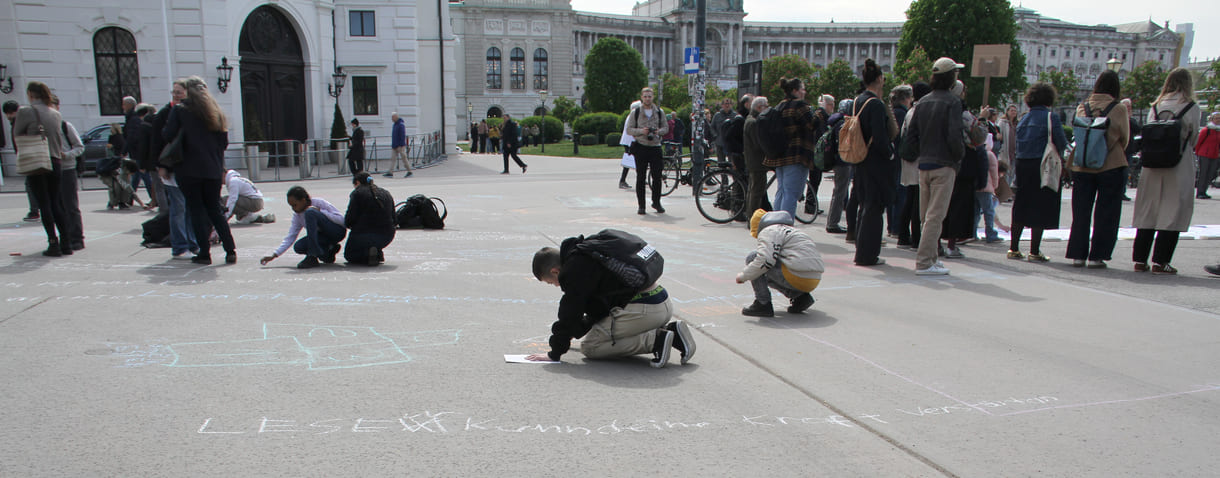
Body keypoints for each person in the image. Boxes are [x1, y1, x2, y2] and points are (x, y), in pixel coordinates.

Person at [526, 234, 694, 368]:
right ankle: (673, 332)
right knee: (601, 330)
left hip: (644, 311)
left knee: (591, 346)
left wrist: (554, 353)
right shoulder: (587, 250)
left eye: (551, 282)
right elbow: (597, 312)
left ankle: (656, 340)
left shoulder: (573, 271)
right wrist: (571, 333)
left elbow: (570, 312)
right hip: (660, 301)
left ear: (555, 271)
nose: (555, 285)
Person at [161, 75, 237, 265]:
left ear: (188, 91)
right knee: (214, 210)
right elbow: (223, 143)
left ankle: (204, 252)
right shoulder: (216, 112)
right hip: (212, 168)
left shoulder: (180, 110)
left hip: (188, 168)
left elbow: (168, 134)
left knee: (195, 210)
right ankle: (230, 249)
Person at [1132, 68, 1200, 275]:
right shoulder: (1191, 107)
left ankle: (1140, 260)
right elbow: (1194, 137)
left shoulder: (1156, 105)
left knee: (1148, 211)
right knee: (1173, 211)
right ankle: (1161, 261)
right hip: (1178, 163)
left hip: (1151, 164)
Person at [906, 57, 966, 275]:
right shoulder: (952, 102)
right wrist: (959, 157)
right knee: (935, 215)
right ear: (952, 78)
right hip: (944, 163)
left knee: (926, 215)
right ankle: (924, 261)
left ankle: (931, 257)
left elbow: (911, 137)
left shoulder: (922, 102)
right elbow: (954, 136)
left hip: (925, 163)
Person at [1065, 71, 1130, 269]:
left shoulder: (1082, 107)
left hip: (1082, 165)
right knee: (1107, 212)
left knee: (1081, 212)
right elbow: (1124, 138)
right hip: (1111, 164)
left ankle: (1078, 254)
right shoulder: (1118, 108)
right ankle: (1097, 256)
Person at [1010, 82, 1068, 264]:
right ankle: (1034, 250)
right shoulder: (1051, 117)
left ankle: (1014, 247)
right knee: (1040, 206)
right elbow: (1061, 142)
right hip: (1042, 165)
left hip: (1022, 164)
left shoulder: (1024, 118)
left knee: (1021, 205)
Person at [13, 81, 72, 256]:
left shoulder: (25, 111)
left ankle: (53, 243)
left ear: (31, 94)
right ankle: (66, 242)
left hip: (37, 160)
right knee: (56, 202)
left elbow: (17, 135)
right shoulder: (55, 113)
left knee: (44, 203)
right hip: (55, 160)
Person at [851, 59, 897, 267]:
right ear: (879, 79)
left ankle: (862, 251)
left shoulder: (857, 101)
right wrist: (890, 153)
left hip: (860, 159)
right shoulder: (875, 104)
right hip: (875, 162)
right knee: (874, 208)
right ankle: (868, 254)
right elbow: (880, 137)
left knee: (864, 206)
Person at [738, 209, 824, 318]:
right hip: (814, 279)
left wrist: (744, 276)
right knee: (772, 262)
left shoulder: (769, 231)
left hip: (796, 276)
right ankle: (800, 297)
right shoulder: (793, 231)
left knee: (754, 259)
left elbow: (765, 260)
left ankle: (763, 303)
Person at [765, 78, 817, 218]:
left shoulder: (779, 106)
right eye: (802, 89)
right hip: (796, 154)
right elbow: (812, 124)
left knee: (781, 191)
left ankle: (776, 224)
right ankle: (784, 226)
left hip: (780, 155)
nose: (804, 92)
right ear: (795, 91)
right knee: (792, 193)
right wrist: (821, 111)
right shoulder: (799, 105)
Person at [260, 186, 347, 269]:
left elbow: (342, 221)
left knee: (310, 212)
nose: (293, 209)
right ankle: (329, 251)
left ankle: (312, 255)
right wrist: (274, 255)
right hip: (322, 237)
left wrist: (320, 211)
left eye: (295, 205)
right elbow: (291, 236)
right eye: (291, 206)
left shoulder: (318, 202)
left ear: (303, 200)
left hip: (336, 232)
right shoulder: (297, 216)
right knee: (299, 246)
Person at [49, 95, 86, 251]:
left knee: (70, 205)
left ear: (58, 107)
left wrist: (67, 154)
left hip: (66, 168)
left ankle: (76, 238)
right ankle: (64, 236)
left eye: (51, 106)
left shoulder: (65, 126)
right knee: (57, 205)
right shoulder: (43, 127)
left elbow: (80, 147)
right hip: (50, 169)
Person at [625, 87, 668, 215]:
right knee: (641, 177)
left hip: (655, 146)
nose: (647, 98)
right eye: (645, 96)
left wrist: (658, 132)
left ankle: (656, 202)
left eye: (649, 96)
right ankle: (641, 205)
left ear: (653, 97)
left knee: (657, 177)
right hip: (641, 146)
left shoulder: (659, 112)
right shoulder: (636, 112)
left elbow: (666, 127)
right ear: (642, 97)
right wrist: (641, 131)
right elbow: (629, 129)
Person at [896, 83, 928, 249]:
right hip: (918, 160)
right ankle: (915, 237)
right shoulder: (920, 112)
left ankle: (903, 235)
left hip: (908, 160)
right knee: (916, 201)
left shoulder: (910, 111)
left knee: (909, 199)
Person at [343, 171, 396, 266]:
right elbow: (394, 218)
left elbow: (350, 218)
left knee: (350, 255)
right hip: (387, 235)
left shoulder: (357, 193)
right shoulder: (386, 193)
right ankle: (376, 251)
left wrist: (349, 226)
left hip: (364, 235)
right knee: (371, 241)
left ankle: (368, 253)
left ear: (357, 182)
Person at [6, 100, 41, 223]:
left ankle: (35, 211)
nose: (9, 116)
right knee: (33, 185)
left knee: (32, 185)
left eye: (11, 113)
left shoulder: (20, 122)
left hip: (30, 158)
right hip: (29, 157)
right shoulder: (17, 122)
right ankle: (37, 210)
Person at [824, 98, 852, 233]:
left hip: (837, 161)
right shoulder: (843, 124)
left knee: (839, 192)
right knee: (840, 193)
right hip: (843, 161)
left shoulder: (834, 122)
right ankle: (833, 223)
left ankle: (832, 221)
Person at [743, 95, 771, 216]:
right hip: (757, 161)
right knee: (757, 191)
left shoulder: (750, 119)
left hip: (753, 161)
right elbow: (757, 143)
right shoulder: (753, 122)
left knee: (753, 189)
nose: (768, 108)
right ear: (759, 107)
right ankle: (752, 217)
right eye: (766, 106)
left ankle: (751, 215)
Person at [1194, 112, 1220, 199]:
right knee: (1203, 174)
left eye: (1219, 118)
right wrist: (1198, 153)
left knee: (1210, 174)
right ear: (1212, 119)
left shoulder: (1218, 130)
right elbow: (1198, 142)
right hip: (1204, 154)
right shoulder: (1206, 130)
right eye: (1216, 118)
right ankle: (1200, 192)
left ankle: (1204, 191)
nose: (1218, 120)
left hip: (1215, 155)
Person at [618, 101, 641, 189]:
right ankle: (622, 181)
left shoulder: (632, 115)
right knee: (629, 161)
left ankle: (641, 177)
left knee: (635, 160)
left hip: (629, 141)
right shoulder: (633, 115)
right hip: (629, 142)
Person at [997, 104, 1019, 187]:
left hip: (1014, 152)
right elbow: (999, 134)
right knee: (1005, 172)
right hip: (1005, 151)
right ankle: (1003, 191)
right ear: (1007, 112)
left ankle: (1008, 190)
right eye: (1012, 110)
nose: (1013, 112)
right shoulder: (1002, 122)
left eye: (1015, 111)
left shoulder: (1016, 124)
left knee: (1012, 172)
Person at [385, 112, 413, 178]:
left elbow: (402, 135)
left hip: (400, 145)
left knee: (404, 158)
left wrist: (400, 144)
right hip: (395, 145)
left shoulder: (401, 125)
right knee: (393, 159)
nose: (392, 119)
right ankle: (390, 172)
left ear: (395, 117)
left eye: (392, 117)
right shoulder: (395, 125)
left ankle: (409, 171)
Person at [712, 98, 734, 165]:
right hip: (720, 142)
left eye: (729, 104)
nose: (727, 105)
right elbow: (712, 127)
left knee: (733, 162)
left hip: (731, 143)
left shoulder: (735, 115)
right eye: (725, 104)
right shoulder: (717, 115)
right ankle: (723, 175)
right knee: (721, 162)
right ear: (722, 105)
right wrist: (715, 135)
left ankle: (734, 175)